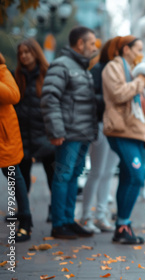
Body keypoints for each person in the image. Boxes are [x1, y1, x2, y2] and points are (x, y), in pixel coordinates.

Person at [41, 26, 99, 239]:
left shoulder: (81, 67)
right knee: (63, 176)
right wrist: (56, 130)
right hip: (67, 133)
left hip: (82, 133)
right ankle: (58, 224)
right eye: (91, 43)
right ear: (80, 43)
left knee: (73, 176)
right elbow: (49, 98)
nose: (94, 47)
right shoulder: (62, 65)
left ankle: (67, 220)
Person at [102, 35, 145, 244]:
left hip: (137, 132)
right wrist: (141, 80)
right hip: (121, 130)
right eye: (137, 49)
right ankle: (123, 223)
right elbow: (118, 94)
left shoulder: (134, 72)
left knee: (128, 177)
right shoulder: (114, 68)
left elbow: (144, 103)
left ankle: (122, 227)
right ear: (126, 49)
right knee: (136, 176)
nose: (140, 54)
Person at [79, 37, 121, 234]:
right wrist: (112, 99)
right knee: (96, 172)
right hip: (101, 124)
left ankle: (102, 216)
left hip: (118, 126)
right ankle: (86, 217)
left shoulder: (123, 71)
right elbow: (91, 98)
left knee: (108, 173)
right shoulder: (99, 69)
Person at [13, 38, 54, 223]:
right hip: (22, 133)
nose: (24, 56)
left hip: (45, 134)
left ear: (35, 53)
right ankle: (23, 210)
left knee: (52, 176)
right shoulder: (16, 77)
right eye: (21, 53)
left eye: (27, 52)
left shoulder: (47, 74)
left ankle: (55, 210)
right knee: (21, 176)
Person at [0, 51, 32, 242]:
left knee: (13, 175)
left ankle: (26, 222)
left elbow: (14, 95)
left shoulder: (2, 71)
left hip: (4, 136)